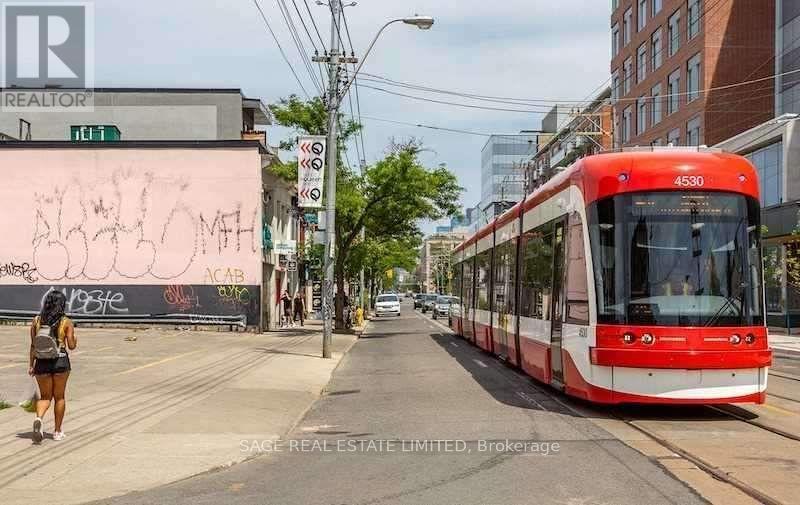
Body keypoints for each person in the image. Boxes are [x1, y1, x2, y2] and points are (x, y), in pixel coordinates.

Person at [29, 290, 76, 443]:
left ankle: (39, 418)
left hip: (41, 362)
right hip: (60, 361)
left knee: (45, 397)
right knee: (59, 397)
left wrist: (31, 365)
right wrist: (74, 338)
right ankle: (57, 431)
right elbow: (71, 346)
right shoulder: (66, 322)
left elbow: (33, 345)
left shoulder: (36, 321)